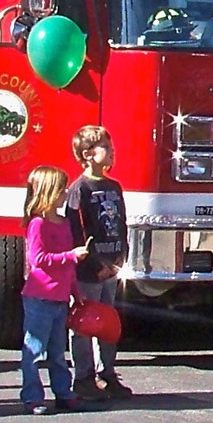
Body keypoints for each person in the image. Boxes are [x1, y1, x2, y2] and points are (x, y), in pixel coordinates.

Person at [67, 126, 131, 403]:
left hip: (113, 266)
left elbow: (121, 224)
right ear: (87, 155)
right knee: (85, 323)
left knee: (108, 322)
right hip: (90, 271)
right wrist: (94, 265)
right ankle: (83, 377)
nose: (112, 149)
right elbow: (77, 231)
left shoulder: (113, 187)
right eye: (105, 145)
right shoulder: (79, 189)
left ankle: (108, 372)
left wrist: (121, 258)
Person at [20, 165, 84, 416]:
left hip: (59, 297)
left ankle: (63, 392)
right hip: (40, 296)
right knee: (34, 350)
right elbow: (38, 259)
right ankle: (32, 396)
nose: (65, 193)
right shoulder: (38, 224)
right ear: (47, 192)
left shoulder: (64, 222)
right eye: (61, 189)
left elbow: (68, 268)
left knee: (57, 351)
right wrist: (71, 256)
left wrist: (76, 292)